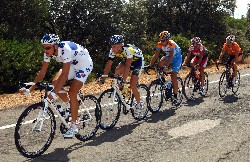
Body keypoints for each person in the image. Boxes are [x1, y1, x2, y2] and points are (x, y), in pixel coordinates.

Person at [19, 34, 93, 138]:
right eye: (43, 47)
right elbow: (42, 72)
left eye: (48, 47)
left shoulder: (65, 49)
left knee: (72, 92)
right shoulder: (48, 52)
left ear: (56, 46)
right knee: (53, 84)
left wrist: (53, 94)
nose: (45, 50)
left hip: (83, 65)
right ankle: (70, 105)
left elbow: (65, 75)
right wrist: (30, 89)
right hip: (72, 64)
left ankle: (74, 126)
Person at [99, 34, 144, 116]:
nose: (113, 48)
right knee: (117, 70)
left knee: (132, 84)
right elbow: (108, 64)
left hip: (138, 62)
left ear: (120, 45)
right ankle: (123, 93)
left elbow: (127, 67)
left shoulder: (128, 50)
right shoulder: (112, 51)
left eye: (114, 46)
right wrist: (103, 77)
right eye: (112, 46)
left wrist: (123, 80)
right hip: (127, 60)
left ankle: (139, 103)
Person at [148, 31, 182, 106]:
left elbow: (171, 56)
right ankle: (162, 80)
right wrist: (150, 65)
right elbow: (156, 54)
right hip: (169, 56)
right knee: (160, 63)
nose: (161, 42)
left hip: (177, 58)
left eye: (163, 40)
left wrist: (166, 67)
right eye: (160, 40)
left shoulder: (171, 44)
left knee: (173, 76)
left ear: (167, 40)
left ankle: (175, 96)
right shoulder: (160, 44)